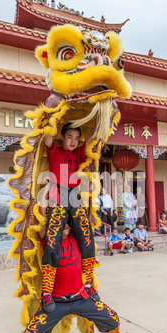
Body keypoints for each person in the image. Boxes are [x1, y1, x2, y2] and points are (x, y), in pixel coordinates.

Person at [0, 224, 134, 333]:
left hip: (81, 298)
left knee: (112, 317)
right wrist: (43, 198)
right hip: (55, 303)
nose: (66, 226)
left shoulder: (77, 239)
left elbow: (84, 217)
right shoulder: (49, 241)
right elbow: (41, 218)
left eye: (68, 223)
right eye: (61, 223)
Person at [41, 123, 96, 312]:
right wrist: (49, 115)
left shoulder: (79, 153)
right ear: (62, 137)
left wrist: (102, 119)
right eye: (69, 137)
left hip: (75, 196)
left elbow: (91, 140)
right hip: (57, 196)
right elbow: (47, 137)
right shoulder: (55, 151)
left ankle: (88, 285)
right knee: (52, 242)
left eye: (76, 138)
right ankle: (47, 294)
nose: (73, 141)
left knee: (88, 239)